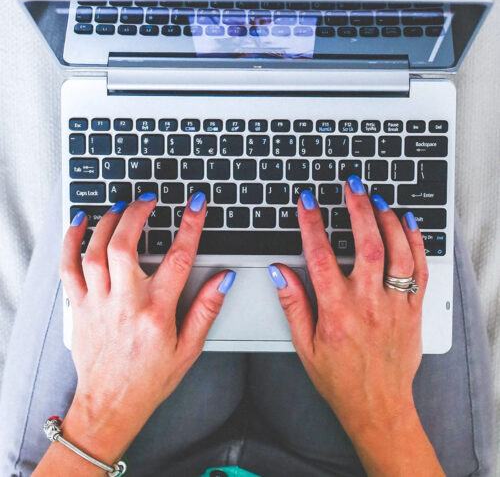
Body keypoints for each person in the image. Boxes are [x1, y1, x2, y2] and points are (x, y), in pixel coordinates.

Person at [0, 174, 494, 477]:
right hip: (376, 463)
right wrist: (383, 412)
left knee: (109, 214)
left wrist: (101, 411)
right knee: (388, 212)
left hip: (114, 461)